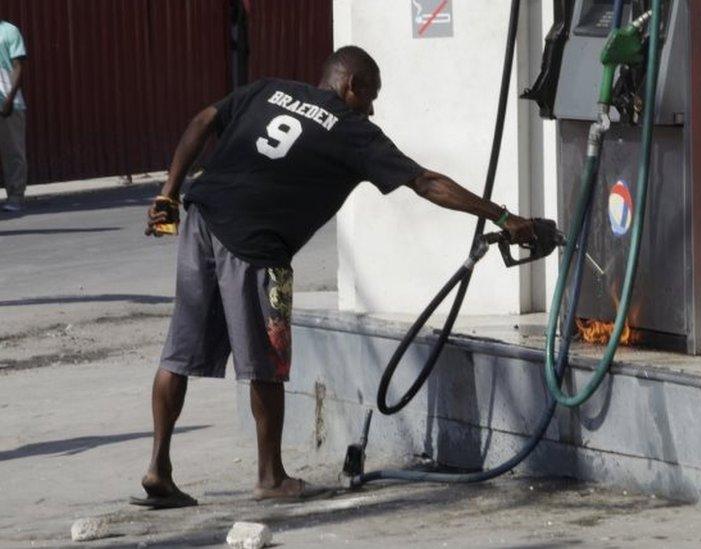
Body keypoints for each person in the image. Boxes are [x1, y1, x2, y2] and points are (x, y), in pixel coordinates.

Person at [133, 45, 539, 507]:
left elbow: (203, 120)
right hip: (255, 246)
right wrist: (502, 216)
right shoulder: (353, 132)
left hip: (201, 218)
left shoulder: (269, 89)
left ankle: (158, 469)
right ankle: (270, 477)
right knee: (267, 361)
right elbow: (427, 183)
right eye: (371, 97)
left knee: (178, 355)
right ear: (352, 85)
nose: (372, 108)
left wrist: (168, 192)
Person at [0, 19, 26, 212]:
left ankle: (15, 196)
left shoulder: (9, 31)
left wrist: (9, 99)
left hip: (9, 102)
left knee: (13, 152)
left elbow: (18, 65)